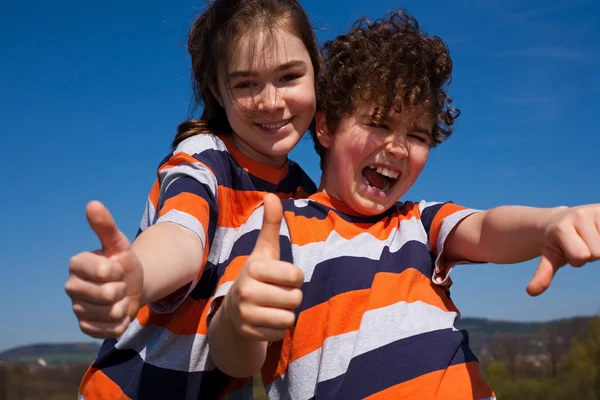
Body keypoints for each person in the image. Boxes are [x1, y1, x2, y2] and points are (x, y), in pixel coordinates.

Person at [207, 10, 600, 399]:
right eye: (378, 123)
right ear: (326, 126)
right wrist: (239, 322)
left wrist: (551, 220)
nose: (396, 147)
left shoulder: (419, 223)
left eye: (417, 134)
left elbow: (487, 229)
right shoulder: (279, 228)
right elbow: (234, 360)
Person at [64, 0, 321, 398]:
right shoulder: (202, 159)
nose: (271, 101)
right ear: (218, 90)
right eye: (246, 84)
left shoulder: (306, 195)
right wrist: (137, 274)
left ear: (316, 72)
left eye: (288, 76)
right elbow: (181, 234)